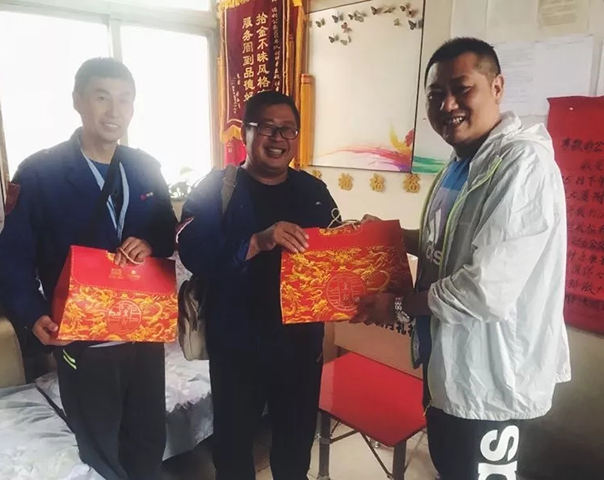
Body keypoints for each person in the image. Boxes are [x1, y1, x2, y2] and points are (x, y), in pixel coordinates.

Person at [354, 38, 571, 480]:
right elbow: (447, 246)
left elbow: (484, 289)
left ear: (497, 87)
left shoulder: (522, 165)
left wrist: (398, 307)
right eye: (436, 94)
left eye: (462, 88)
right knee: (450, 468)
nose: (447, 104)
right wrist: (389, 236)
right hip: (449, 371)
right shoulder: (458, 165)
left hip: (493, 384)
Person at [0, 58, 177, 480]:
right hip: (84, 338)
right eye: (102, 98)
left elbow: (167, 229)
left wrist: (150, 242)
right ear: (78, 101)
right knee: (99, 446)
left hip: (143, 332)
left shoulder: (144, 167)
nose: (114, 111)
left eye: (125, 100)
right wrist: (33, 314)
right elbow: (12, 257)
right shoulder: (40, 173)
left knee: (147, 438)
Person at [178, 90, 339, 480]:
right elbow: (192, 253)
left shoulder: (313, 192)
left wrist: (357, 238)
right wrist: (255, 242)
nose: (278, 138)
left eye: (288, 129)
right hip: (237, 346)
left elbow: (334, 256)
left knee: (294, 448)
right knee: (233, 449)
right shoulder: (216, 189)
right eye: (267, 127)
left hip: (300, 346)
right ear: (245, 133)